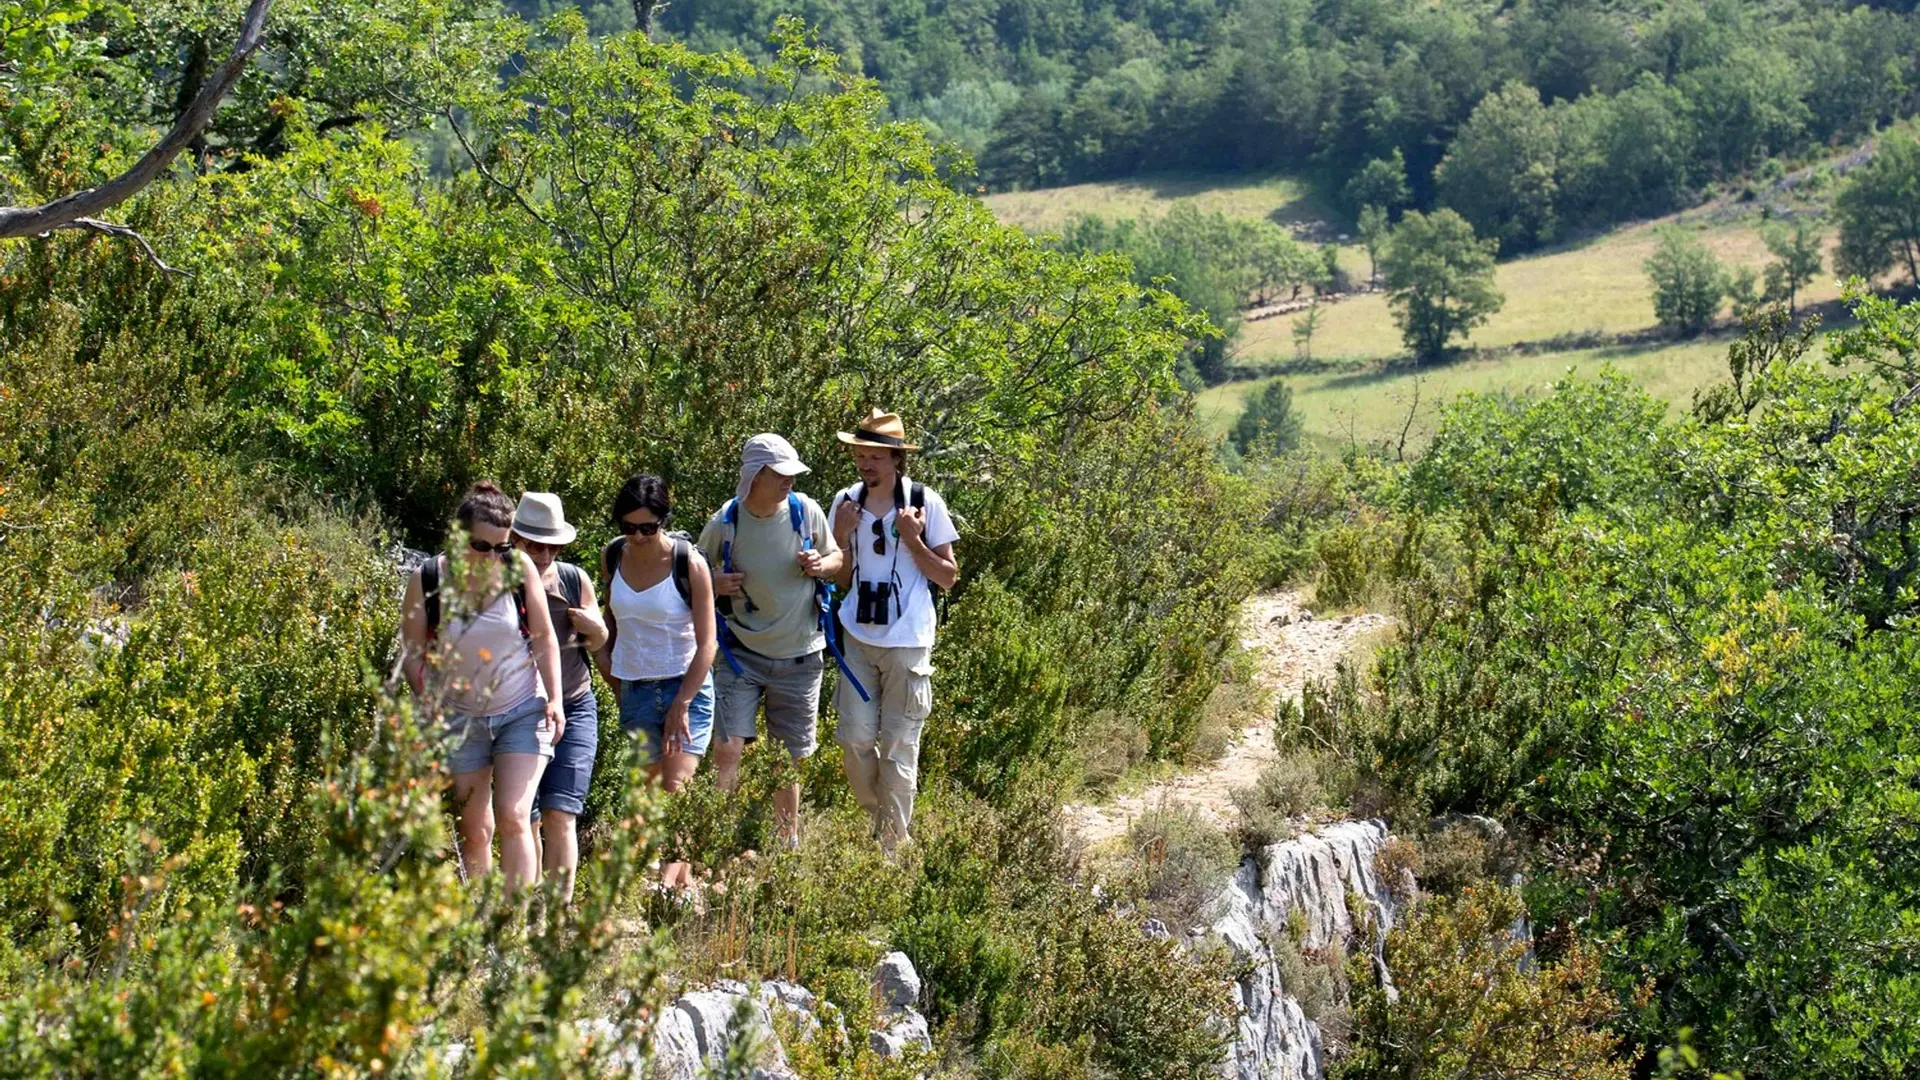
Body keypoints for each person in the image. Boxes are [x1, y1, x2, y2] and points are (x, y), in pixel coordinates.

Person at [401, 481, 567, 894]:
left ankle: (514, 929)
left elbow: (546, 637)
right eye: (481, 546)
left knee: (513, 814)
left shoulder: (520, 569)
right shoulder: (428, 579)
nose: (493, 556)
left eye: (503, 546)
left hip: (522, 707)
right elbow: (413, 653)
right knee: (474, 829)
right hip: (460, 714)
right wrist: (429, 701)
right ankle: (482, 926)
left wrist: (557, 699)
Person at [698, 434, 844, 846]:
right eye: (781, 475)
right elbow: (690, 571)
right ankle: (715, 842)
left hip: (800, 657)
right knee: (727, 748)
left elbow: (837, 558)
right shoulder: (726, 521)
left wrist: (821, 564)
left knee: (788, 760)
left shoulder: (806, 511)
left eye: (791, 475)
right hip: (738, 655)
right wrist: (713, 582)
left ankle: (786, 846)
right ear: (755, 476)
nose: (789, 482)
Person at [829, 409, 959, 851]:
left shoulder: (925, 503)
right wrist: (842, 534)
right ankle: (881, 819)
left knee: (900, 749)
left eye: (875, 457)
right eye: (860, 455)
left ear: (897, 460)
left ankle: (891, 850)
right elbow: (842, 577)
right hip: (857, 638)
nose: (866, 464)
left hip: (908, 642)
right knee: (855, 740)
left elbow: (947, 576)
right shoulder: (845, 502)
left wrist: (913, 538)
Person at [596, 474, 717, 889]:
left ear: (663, 521)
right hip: (635, 685)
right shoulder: (612, 556)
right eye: (629, 527)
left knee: (676, 785)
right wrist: (611, 674)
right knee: (646, 791)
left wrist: (683, 702)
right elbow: (610, 624)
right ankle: (676, 880)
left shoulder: (689, 563)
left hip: (687, 684)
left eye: (648, 527)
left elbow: (708, 644)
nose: (638, 536)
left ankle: (669, 887)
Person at [510, 491, 608, 904]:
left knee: (561, 812)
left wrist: (594, 625)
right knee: (524, 817)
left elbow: (601, 640)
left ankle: (558, 914)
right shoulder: (498, 581)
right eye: (535, 544)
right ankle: (525, 912)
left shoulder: (573, 578)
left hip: (574, 701)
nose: (544, 553)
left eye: (552, 545)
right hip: (516, 708)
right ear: (515, 540)